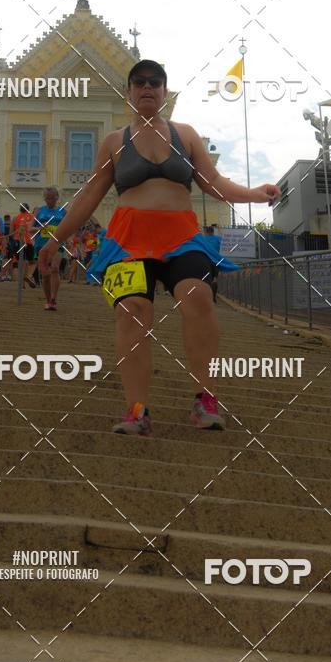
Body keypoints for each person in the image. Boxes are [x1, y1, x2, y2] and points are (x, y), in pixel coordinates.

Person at [39, 59, 281, 436]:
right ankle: (137, 411)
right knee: (132, 312)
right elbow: (88, 198)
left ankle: (205, 399)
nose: (147, 87)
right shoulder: (114, 142)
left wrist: (255, 193)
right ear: (130, 93)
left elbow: (214, 183)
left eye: (155, 82)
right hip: (127, 241)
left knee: (197, 294)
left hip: (181, 238)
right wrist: (54, 241)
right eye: (139, 83)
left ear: (165, 92)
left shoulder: (185, 135)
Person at [33, 187, 67, 310]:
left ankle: (54, 298)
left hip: (57, 244)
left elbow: (70, 227)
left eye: (52, 198)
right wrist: (40, 228)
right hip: (41, 245)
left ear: (57, 198)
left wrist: (68, 238)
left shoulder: (63, 211)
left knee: (55, 268)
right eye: (47, 198)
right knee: (45, 274)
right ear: (44, 198)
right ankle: (48, 300)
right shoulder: (39, 211)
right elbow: (30, 228)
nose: (50, 201)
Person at [12, 204, 36, 288]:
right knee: (32, 262)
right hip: (28, 241)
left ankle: (22, 284)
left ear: (20, 209)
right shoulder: (32, 216)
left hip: (17, 242)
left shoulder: (15, 218)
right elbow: (34, 229)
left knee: (20, 263)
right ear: (28, 209)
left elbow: (11, 232)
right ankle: (28, 276)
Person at [204, 225, 222, 303]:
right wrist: (218, 228)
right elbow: (222, 235)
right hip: (216, 261)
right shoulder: (218, 238)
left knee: (206, 279)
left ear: (207, 232)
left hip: (206, 261)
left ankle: (207, 297)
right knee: (214, 279)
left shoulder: (204, 239)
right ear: (213, 232)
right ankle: (213, 298)